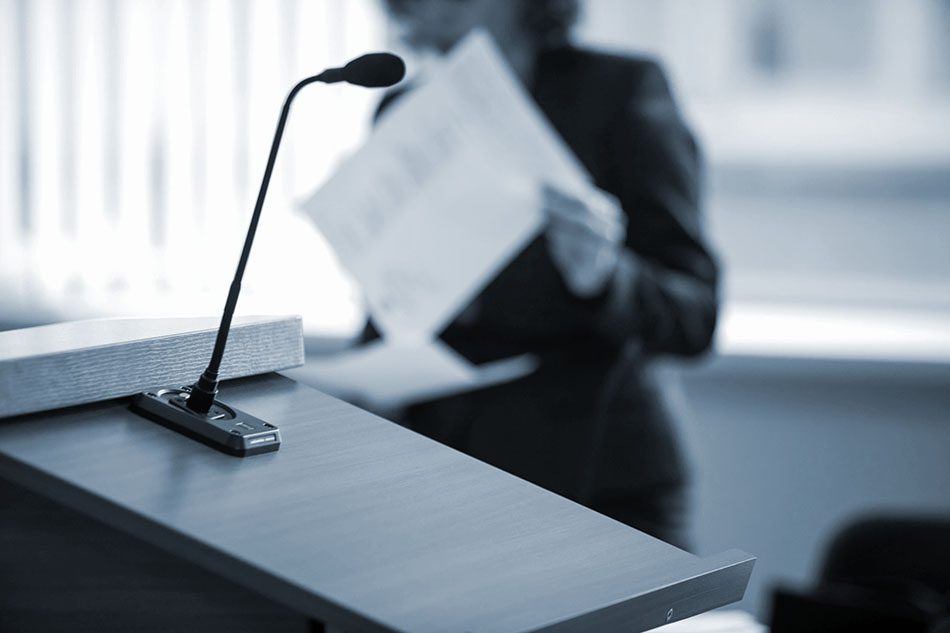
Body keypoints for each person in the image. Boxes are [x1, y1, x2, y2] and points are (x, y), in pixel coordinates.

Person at [367, 0, 719, 550]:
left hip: (599, 476)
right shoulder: (400, 113)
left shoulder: (619, 91)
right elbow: (391, 307)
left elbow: (696, 315)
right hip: (446, 469)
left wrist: (605, 277)